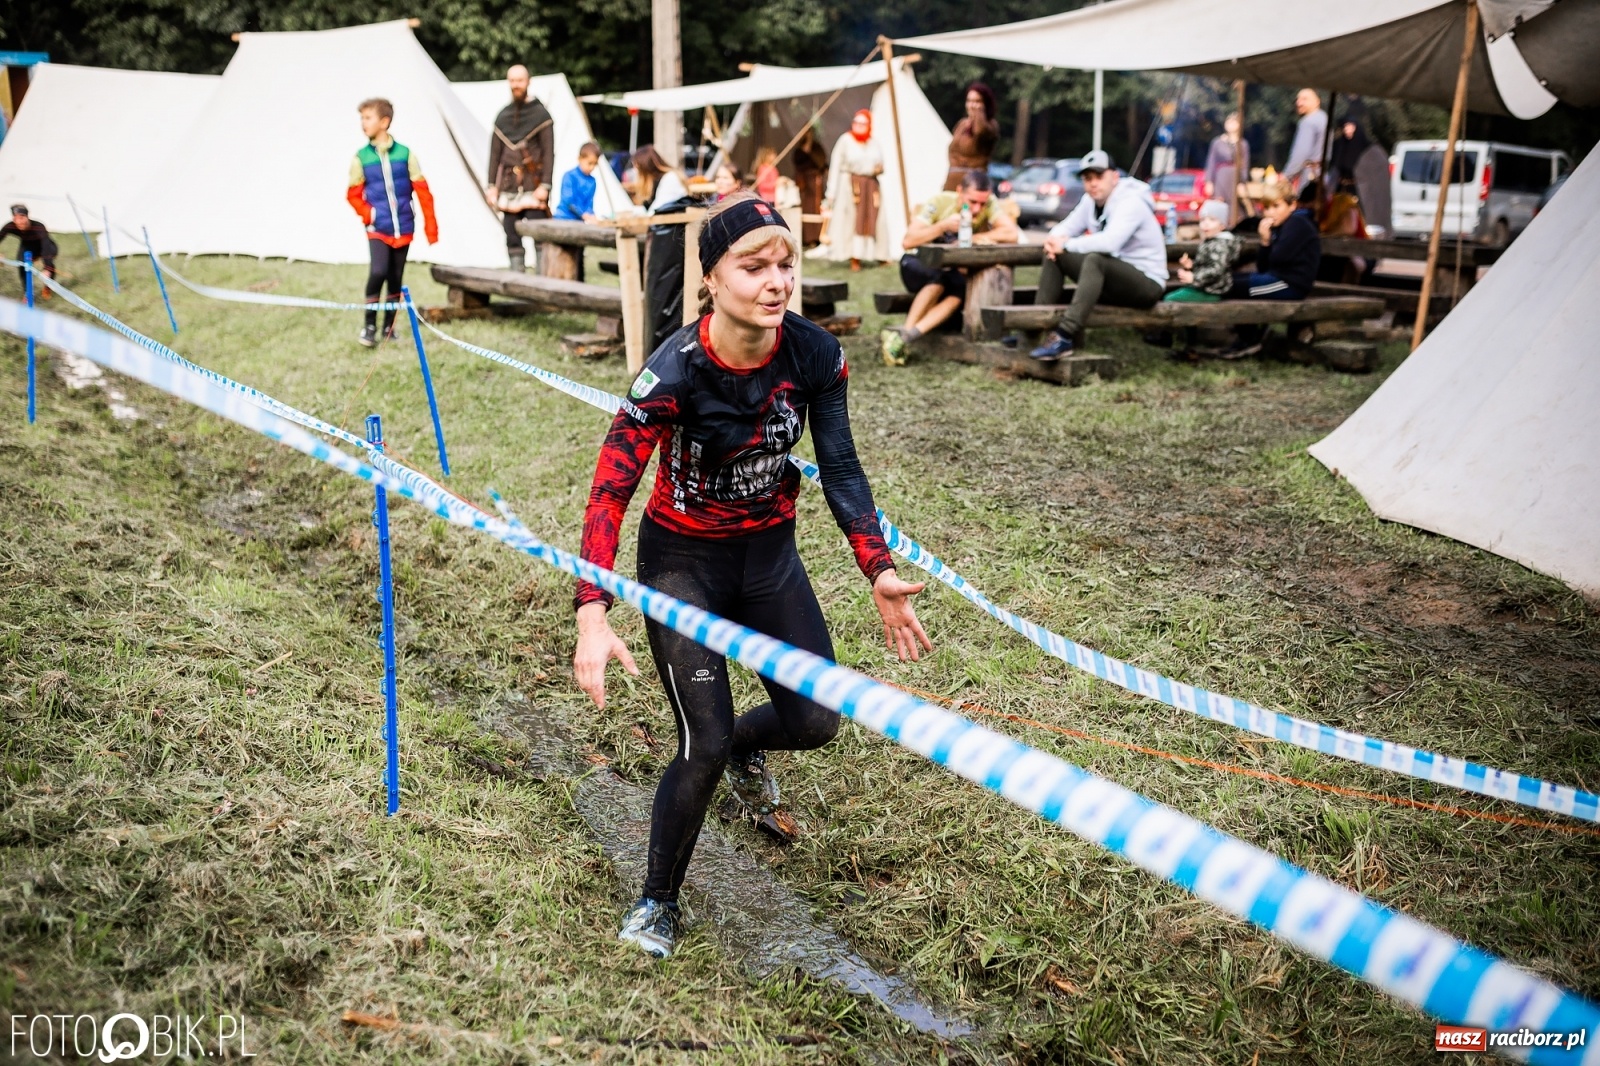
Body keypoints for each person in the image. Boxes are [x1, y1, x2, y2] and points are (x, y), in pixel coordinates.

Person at [571, 193, 932, 959]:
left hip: (769, 558)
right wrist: (592, 612)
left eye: (786, 264)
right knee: (698, 741)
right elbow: (610, 490)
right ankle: (657, 903)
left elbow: (839, 464)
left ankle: (744, 746)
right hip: (681, 565)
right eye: (754, 266)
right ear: (711, 278)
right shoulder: (672, 372)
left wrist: (879, 568)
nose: (777, 282)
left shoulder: (813, 354)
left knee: (815, 722)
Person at [1029, 150, 1167, 362]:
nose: (1093, 184)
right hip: (1115, 280)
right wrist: (1054, 240)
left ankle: (1065, 336)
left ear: (1114, 177)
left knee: (1095, 259)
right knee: (1055, 255)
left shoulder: (1131, 202)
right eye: (1087, 178)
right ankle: (1034, 330)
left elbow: (1110, 243)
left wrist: (1066, 243)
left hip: (1147, 284)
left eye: (1099, 177)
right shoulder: (1089, 201)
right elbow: (1066, 226)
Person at [882, 170, 1020, 366]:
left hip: (950, 270)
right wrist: (941, 226)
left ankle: (905, 337)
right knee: (940, 279)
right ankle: (904, 335)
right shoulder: (940, 202)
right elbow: (908, 240)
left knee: (958, 290)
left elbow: (1011, 233)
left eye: (982, 203)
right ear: (960, 192)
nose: (977, 209)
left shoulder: (988, 204)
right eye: (972, 202)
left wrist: (973, 238)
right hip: (917, 263)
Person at [346, 98, 438, 348]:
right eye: (362, 118)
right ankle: (369, 326)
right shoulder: (361, 158)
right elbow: (353, 194)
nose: (363, 123)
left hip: (404, 227)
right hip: (378, 229)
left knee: (396, 277)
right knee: (378, 272)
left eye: (368, 118)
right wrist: (370, 215)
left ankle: (389, 327)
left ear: (384, 122)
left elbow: (423, 191)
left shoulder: (406, 154)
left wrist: (431, 227)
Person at [485, 65, 555, 273]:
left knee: (539, 235)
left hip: (533, 185)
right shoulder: (503, 116)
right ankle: (518, 283)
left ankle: (543, 283)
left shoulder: (541, 115)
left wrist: (545, 185)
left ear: (528, 81)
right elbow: (494, 154)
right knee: (512, 236)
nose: (516, 85)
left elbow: (549, 152)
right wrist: (491, 186)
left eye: (519, 80)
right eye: (512, 81)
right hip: (509, 186)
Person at [1228, 182, 1321, 302]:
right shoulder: (1281, 226)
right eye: (1266, 208)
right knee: (1228, 280)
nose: (1270, 213)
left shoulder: (1297, 223)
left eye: (1276, 206)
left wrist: (1269, 243)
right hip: (1276, 278)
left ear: (1292, 205)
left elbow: (1278, 258)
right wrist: (1265, 241)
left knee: (1228, 286)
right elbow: (1263, 268)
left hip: (1291, 284)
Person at [821, 109, 887, 271]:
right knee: (852, 221)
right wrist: (831, 192)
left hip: (870, 186)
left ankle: (877, 254)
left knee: (874, 220)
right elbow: (836, 166)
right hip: (850, 186)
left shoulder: (873, 143)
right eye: (856, 123)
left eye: (862, 123)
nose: (858, 126)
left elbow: (881, 164)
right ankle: (854, 257)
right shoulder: (845, 141)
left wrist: (877, 169)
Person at [1165, 201, 1240, 303]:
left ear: (1222, 225)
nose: (1206, 223)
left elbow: (1217, 269)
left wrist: (1194, 277)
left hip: (1212, 290)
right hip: (1204, 286)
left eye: (1212, 220)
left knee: (1170, 299)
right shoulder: (1211, 241)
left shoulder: (1221, 245)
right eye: (1203, 219)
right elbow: (1206, 265)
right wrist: (1191, 265)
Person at [944, 82, 998, 192]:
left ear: (985, 104)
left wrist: (979, 113)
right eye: (969, 101)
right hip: (953, 183)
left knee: (966, 209)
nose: (972, 105)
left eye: (977, 101)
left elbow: (980, 132)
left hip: (973, 185)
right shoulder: (962, 124)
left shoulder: (991, 125)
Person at [1202, 112, 1250, 225]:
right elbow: (1211, 162)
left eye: (1234, 121)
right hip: (1221, 176)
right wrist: (1209, 181)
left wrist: (1242, 182)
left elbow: (1245, 164)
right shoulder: (1217, 142)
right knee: (1219, 202)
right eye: (1229, 121)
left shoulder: (1242, 144)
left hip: (1235, 177)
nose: (1230, 124)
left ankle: (1234, 226)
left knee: (1235, 205)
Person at [2, 205, 58, 297]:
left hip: (45, 245)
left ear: (27, 217)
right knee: (21, 264)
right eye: (16, 218)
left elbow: (45, 245)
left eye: (22, 217)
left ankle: (48, 287)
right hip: (28, 246)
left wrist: (47, 267)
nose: (19, 221)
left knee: (50, 264)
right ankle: (27, 293)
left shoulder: (39, 226)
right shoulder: (10, 226)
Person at [791, 125, 831, 246]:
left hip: (816, 182)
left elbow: (821, 162)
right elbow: (799, 161)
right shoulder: (799, 150)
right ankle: (809, 238)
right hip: (805, 183)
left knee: (818, 207)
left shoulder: (817, 148)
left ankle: (819, 235)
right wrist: (807, 141)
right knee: (807, 208)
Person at [1284, 89, 1328, 191]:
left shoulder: (1309, 122)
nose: (1299, 103)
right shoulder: (1324, 118)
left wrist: (1287, 176)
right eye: (1298, 99)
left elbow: (1301, 154)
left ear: (1317, 101)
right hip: (1322, 175)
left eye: (1304, 99)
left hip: (1309, 177)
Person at [555, 142, 603, 223]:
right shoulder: (569, 176)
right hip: (563, 218)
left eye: (595, 164)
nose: (592, 167)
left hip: (580, 221)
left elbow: (589, 203)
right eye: (590, 163)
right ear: (579, 159)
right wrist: (583, 214)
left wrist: (591, 215)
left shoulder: (592, 181)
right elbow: (568, 201)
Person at [632, 145, 690, 212]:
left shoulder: (670, 179)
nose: (635, 170)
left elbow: (658, 210)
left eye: (637, 167)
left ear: (645, 168)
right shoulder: (656, 181)